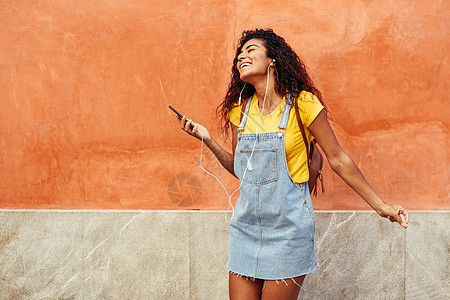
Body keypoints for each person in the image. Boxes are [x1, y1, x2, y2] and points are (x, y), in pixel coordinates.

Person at [177, 28, 409, 300]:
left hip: (288, 232)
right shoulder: (240, 111)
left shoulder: (303, 104)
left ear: (272, 59)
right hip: (246, 230)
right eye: (239, 53)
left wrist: (382, 206)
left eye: (251, 50)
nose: (241, 56)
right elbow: (242, 170)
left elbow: (338, 159)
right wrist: (208, 140)